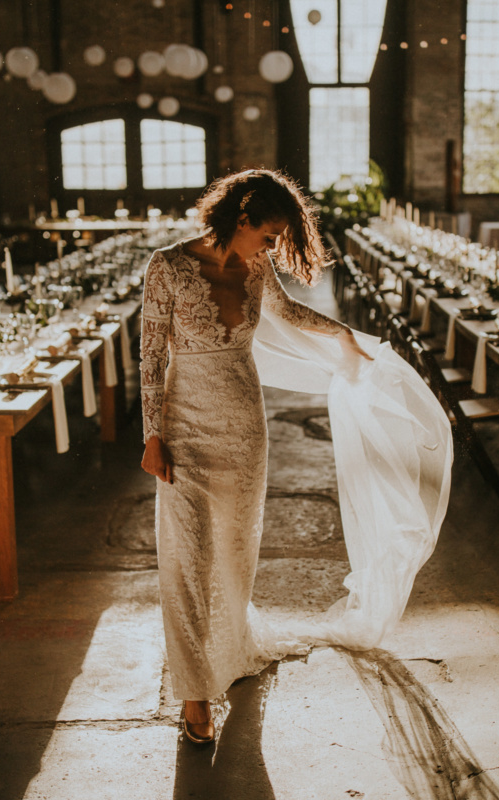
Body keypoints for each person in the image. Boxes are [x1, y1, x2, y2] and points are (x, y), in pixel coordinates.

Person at [139, 169, 372, 743]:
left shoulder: (256, 267)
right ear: (241, 216)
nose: (271, 247)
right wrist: (150, 435)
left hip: (245, 425)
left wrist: (342, 334)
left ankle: (229, 648)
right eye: (267, 234)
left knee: (234, 552)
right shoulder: (165, 266)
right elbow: (148, 356)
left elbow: (289, 314)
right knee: (187, 557)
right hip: (184, 424)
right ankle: (194, 695)